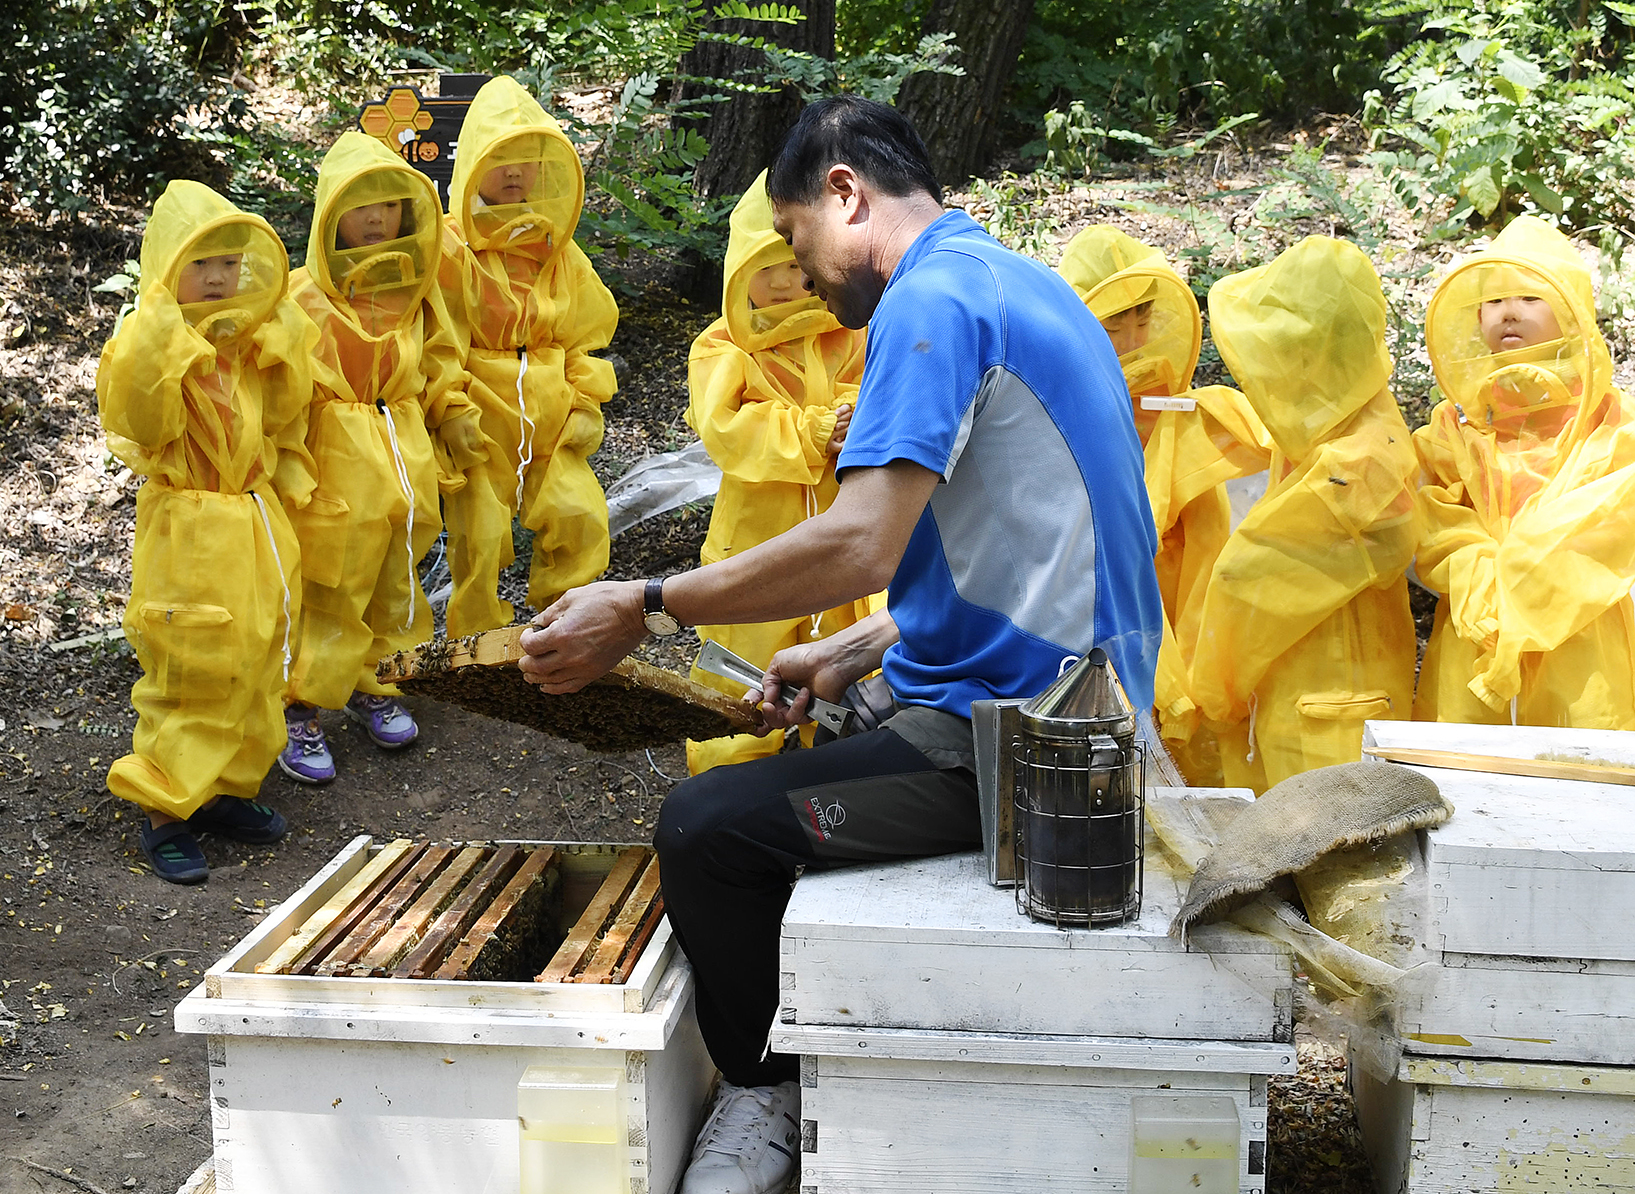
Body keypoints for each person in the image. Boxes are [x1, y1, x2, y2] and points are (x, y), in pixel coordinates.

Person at [519, 97, 1163, 1194]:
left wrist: (646, 598)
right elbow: (1033, 535)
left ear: (845, 194)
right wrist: (868, 644)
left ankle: (764, 1089)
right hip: (1064, 696)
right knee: (786, 753)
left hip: (1037, 749)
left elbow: (861, 535)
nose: (800, 269)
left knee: (707, 827)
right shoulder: (1016, 282)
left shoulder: (928, 305)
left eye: (791, 237)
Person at [97, 180, 317, 884]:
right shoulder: (149, 340)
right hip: (190, 528)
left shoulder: (239, 342)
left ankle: (225, 788)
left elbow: (285, 415)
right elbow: (139, 421)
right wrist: (168, 341)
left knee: (255, 660)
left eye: (229, 260)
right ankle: (164, 811)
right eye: (200, 262)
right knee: (190, 666)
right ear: (167, 269)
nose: (219, 276)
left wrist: (275, 338)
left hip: (253, 517)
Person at [278, 131, 481, 783]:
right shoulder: (300, 294)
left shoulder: (413, 290)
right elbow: (273, 386)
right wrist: (288, 467)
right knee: (328, 591)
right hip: (331, 467)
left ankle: (376, 687)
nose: (374, 214)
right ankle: (299, 713)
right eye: (358, 200)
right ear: (329, 213)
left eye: (389, 200)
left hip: (400, 459)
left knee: (394, 584)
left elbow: (441, 360)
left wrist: (454, 412)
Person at [1187, 237, 1420, 793]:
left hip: (1330, 717)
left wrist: (1212, 691)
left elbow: (1253, 579)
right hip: (1310, 700)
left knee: (1323, 856)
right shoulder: (1347, 428)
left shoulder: (1359, 463)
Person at [1059, 224, 1269, 785]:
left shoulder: (1192, 416)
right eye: (1113, 324)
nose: (1133, 341)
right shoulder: (1058, 417)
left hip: (1191, 624)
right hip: (1098, 627)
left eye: (1143, 320)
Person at [1414, 215, 1635, 728]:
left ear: (1571, 310)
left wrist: (1522, 576)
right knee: (1468, 788)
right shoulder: (1454, 420)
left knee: (1579, 777)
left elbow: (1610, 519)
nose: (1509, 313)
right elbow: (1430, 513)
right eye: (1494, 301)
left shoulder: (1612, 418)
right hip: (1476, 632)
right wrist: (1481, 579)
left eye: (1530, 298)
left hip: (1580, 635)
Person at [683, 171, 870, 774]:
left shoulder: (854, 332)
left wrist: (855, 420)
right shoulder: (723, 349)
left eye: (796, 265)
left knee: (838, 655)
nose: (789, 282)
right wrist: (817, 431)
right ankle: (721, 778)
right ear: (741, 274)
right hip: (755, 540)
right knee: (739, 657)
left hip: (842, 534)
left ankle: (826, 777)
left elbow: (883, 397)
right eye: (769, 268)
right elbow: (728, 431)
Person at [435, 75, 618, 636]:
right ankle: (477, 642)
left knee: (581, 518)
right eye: (501, 156)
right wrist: (450, 408)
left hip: (551, 420)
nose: (515, 170)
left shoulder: (557, 249)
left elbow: (583, 337)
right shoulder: (451, 247)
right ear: (472, 165)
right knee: (480, 540)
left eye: (526, 157)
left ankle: (567, 632)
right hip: (482, 427)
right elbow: (437, 339)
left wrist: (586, 402)